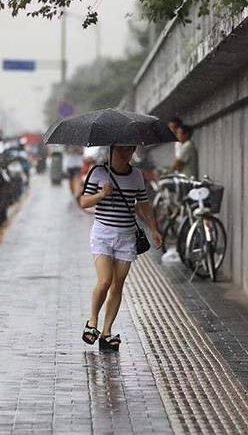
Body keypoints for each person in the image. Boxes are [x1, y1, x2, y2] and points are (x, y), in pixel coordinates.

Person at [79, 145, 163, 351]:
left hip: (126, 237)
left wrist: (154, 229)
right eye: (121, 149)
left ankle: (106, 333)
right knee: (105, 280)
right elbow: (83, 201)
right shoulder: (98, 172)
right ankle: (92, 321)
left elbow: (144, 204)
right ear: (112, 150)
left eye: (129, 149)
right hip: (103, 235)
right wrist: (102, 194)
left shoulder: (136, 175)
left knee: (118, 284)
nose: (125, 153)